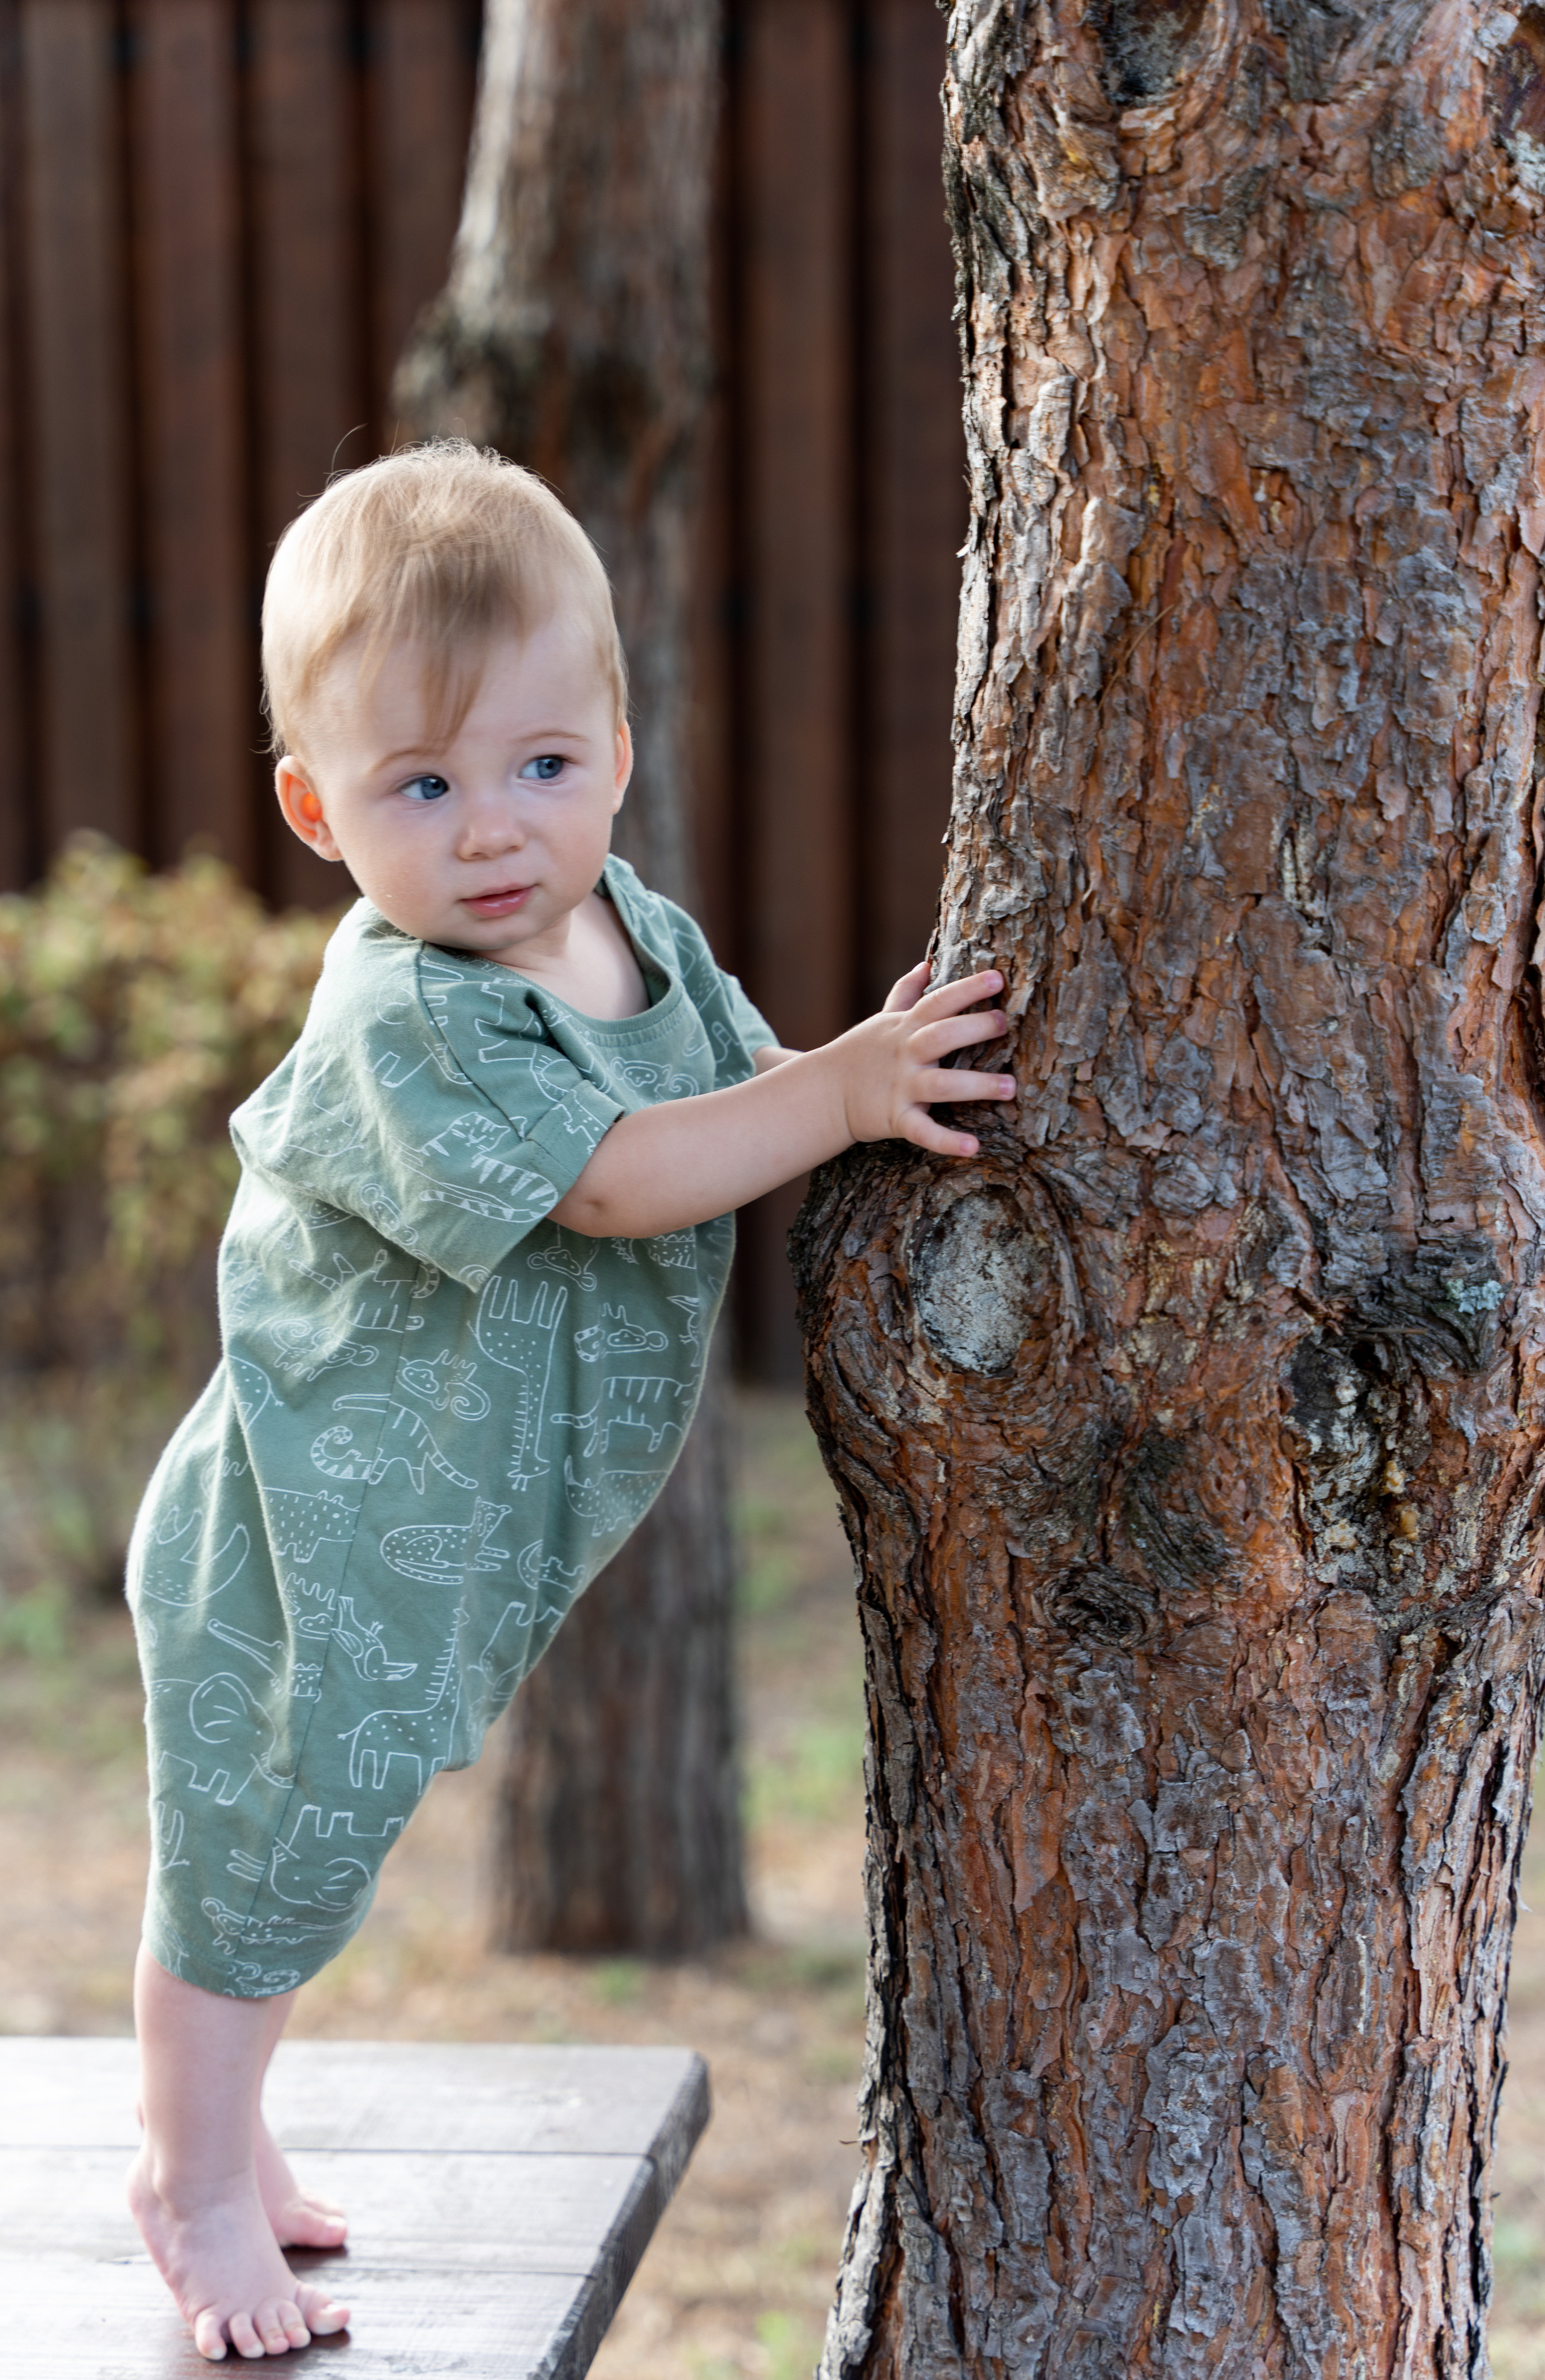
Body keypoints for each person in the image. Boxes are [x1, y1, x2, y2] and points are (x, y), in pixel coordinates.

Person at [124, 441, 1015, 2361]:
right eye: (419, 785)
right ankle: (188, 2185)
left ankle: (233, 2141)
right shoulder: (409, 1013)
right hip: (299, 1530)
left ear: (616, 741)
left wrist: (850, 1079)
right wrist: (850, 1088)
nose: (492, 827)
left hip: (434, 1527)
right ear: (315, 807)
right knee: (264, 1854)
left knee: (319, 1848)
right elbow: (622, 1174)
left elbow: (732, 1099)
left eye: (538, 763)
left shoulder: (641, 936)